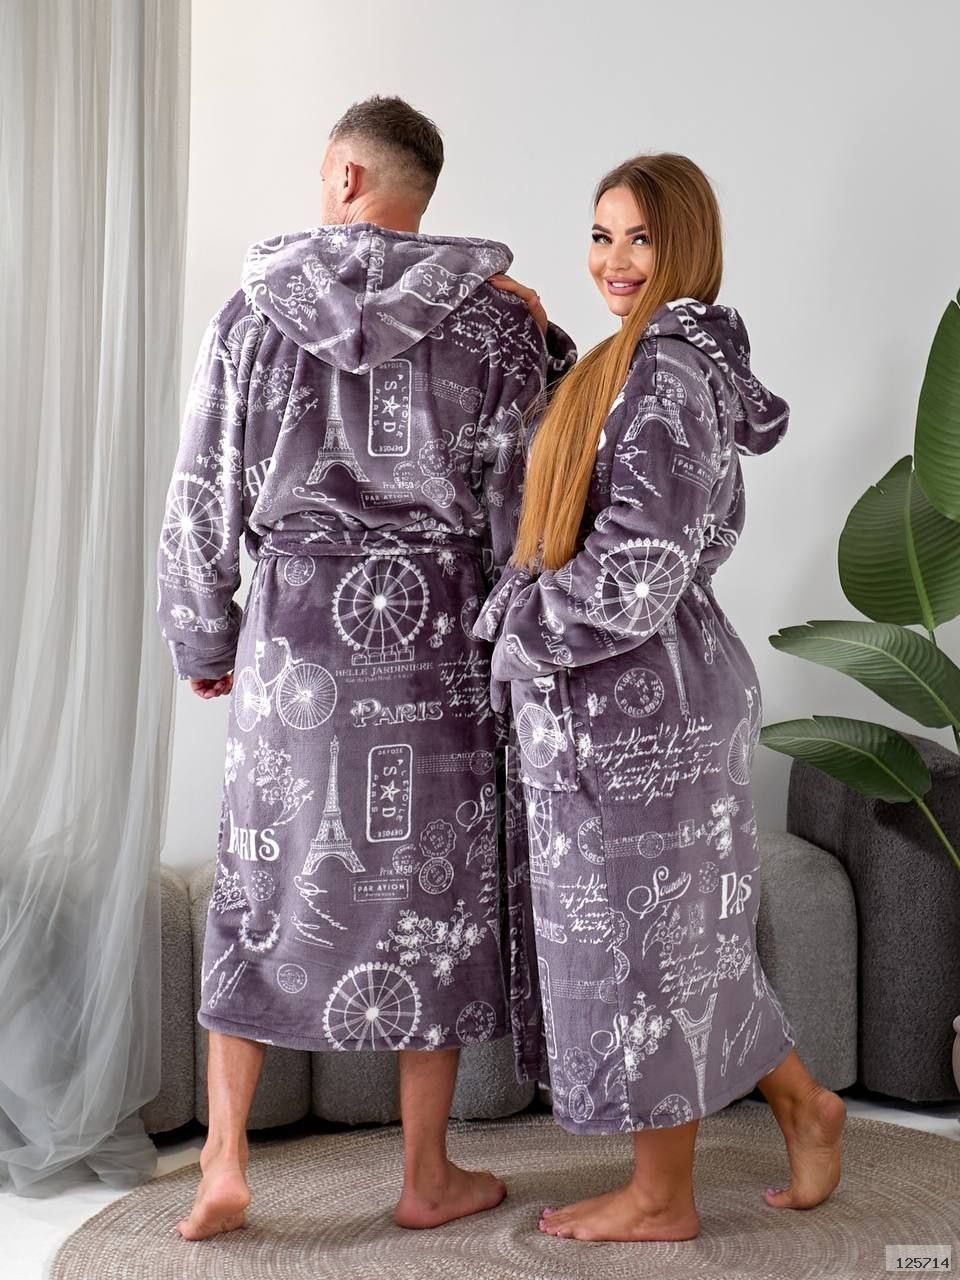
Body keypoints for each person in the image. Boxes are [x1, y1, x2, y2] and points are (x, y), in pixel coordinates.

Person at [156, 94, 575, 1240]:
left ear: (345, 177)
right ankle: (425, 1171)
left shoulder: (250, 313)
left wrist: (204, 633)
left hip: (293, 639)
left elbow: (202, 491)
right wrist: (515, 647)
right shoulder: (494, 324)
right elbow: (526, 505)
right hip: (433, 648)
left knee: (259, 890)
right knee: (431, 900)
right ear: (416, 190)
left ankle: (224, 1158)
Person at [473, 153, 846, 1243]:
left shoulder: (668, 373)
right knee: (683, 937)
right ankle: (805, 1106)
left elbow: (639, 565)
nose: (615, 259)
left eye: (640, 237)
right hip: (635, 694)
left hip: (643, 703)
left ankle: (662, 1195)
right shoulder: (632, 361)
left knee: (649, 947)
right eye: (601, 235)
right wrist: (540, 337)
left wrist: (515, 630)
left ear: (687, 244)